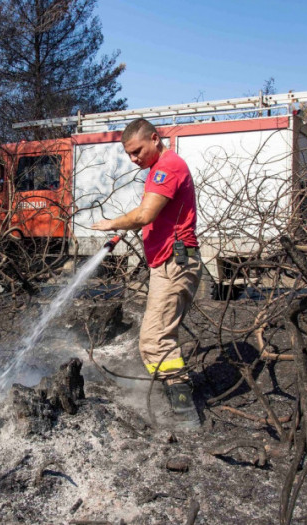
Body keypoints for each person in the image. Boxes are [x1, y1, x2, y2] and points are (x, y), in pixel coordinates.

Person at [90, 118, 201, 415]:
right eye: (128, 154)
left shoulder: (167, 166)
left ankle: (184, 412)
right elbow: (153, 216)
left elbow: (146, 214)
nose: (133, 159)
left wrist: (114, 222)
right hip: (168, 262)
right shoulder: (158, 169)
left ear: (154, 139)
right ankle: (177, 397)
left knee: (154, 340)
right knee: (158, 337)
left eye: (137, 151)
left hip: (174, 263)